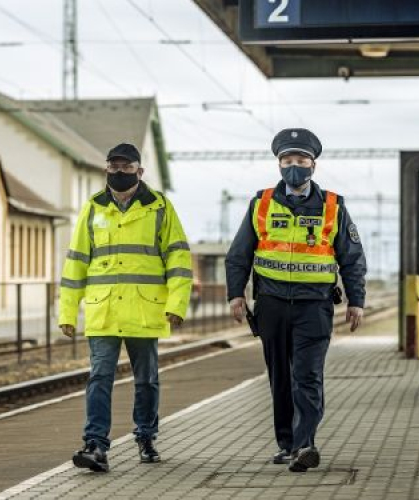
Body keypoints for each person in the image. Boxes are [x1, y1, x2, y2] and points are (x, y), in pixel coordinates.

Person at [225, 128, 367, 473]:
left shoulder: (334, 206)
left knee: (307, 375)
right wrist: (235, 293)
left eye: (301, 160)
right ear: (278, 164)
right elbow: (239, 254)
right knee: (280, 378)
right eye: (287, 160)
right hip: (271, 304)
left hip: (314, 305)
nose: (294, 166)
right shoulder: (261, 203)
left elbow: (352, 257)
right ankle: (287, 444)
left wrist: (356, 299)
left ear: (313, 166)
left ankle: (306, 444)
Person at [59, 143, 192, 473]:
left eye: (126, 167)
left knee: (146, 380)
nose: (119, 173)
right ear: (106, 170)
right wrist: (66, 312)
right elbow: (76, 261)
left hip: (145, 311)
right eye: (113, 167)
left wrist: (177, 303)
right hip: (103, 311)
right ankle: (95, 445)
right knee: (99, 377)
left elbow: (178, 256)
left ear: (139, 171)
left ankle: (146, 437)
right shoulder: (93, 208)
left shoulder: (159, 207)